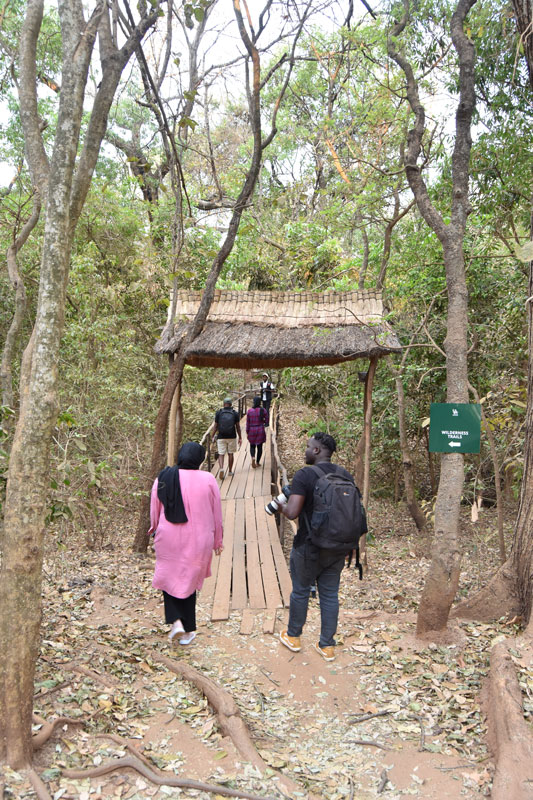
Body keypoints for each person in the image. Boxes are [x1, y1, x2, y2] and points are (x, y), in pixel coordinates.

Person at [277, 432, 356, 662]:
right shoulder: (345, 474)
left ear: (317, 450)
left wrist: (280, 507)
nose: (305, 449)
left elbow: (292, 512)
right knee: (330, 595)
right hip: (338, 547)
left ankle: (293, 637)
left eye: (308, 446)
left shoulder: (305, 475)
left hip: (309, 546)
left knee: (301, 591)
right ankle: (327, 646)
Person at [148, 442, 223, 645]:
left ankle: (176, 621)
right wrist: (218, 540)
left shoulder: (163, 477)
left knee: (169, 577)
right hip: (199, 539)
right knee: (189, 580)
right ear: (199, 459)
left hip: (168, 537)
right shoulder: (208, 479)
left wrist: (154, 529)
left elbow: (155, 509)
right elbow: (217, 513)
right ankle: (187, 630)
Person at [213, 397, 242, 479]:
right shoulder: (235, 413)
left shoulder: (219, 413)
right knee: (230, 453)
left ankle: (221, 468)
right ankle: (230, 471)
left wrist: (212, 436)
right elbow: (238, 426)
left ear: (223, 404)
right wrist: (240, 437)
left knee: (221, 454)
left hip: (221, 436)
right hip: (232, 436)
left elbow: (215, 426)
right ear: (231, 404)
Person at [246, 396, 268, 468]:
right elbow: (267, 420)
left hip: (252, 430)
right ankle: (258, 462)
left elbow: (248, 423)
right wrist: (263, 422)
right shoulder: (263, 410)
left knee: (252, 445)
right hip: (260, 429)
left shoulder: (249, 411)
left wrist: (247, 431)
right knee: (260, 446)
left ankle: (253, 457)